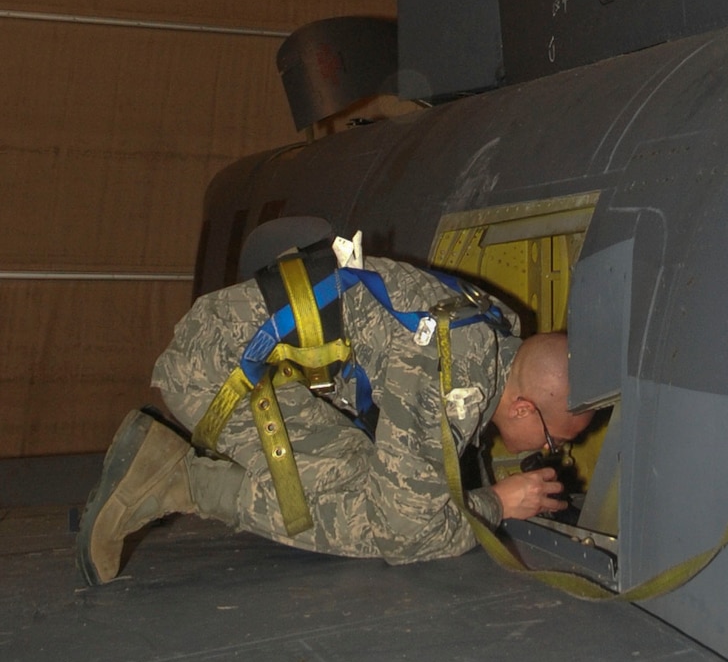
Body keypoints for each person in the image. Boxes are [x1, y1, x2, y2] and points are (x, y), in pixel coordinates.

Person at [77, 246, 591, 586]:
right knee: (366, 516)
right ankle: (175, 478)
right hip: (218, 370)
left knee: (382, 482)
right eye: (550, 441)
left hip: (246, 353)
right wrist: (495, 504)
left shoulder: (498, 330)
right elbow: (406, 536)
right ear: (522, 406)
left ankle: (175, 472)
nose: (543, 451)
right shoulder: (457, 374)